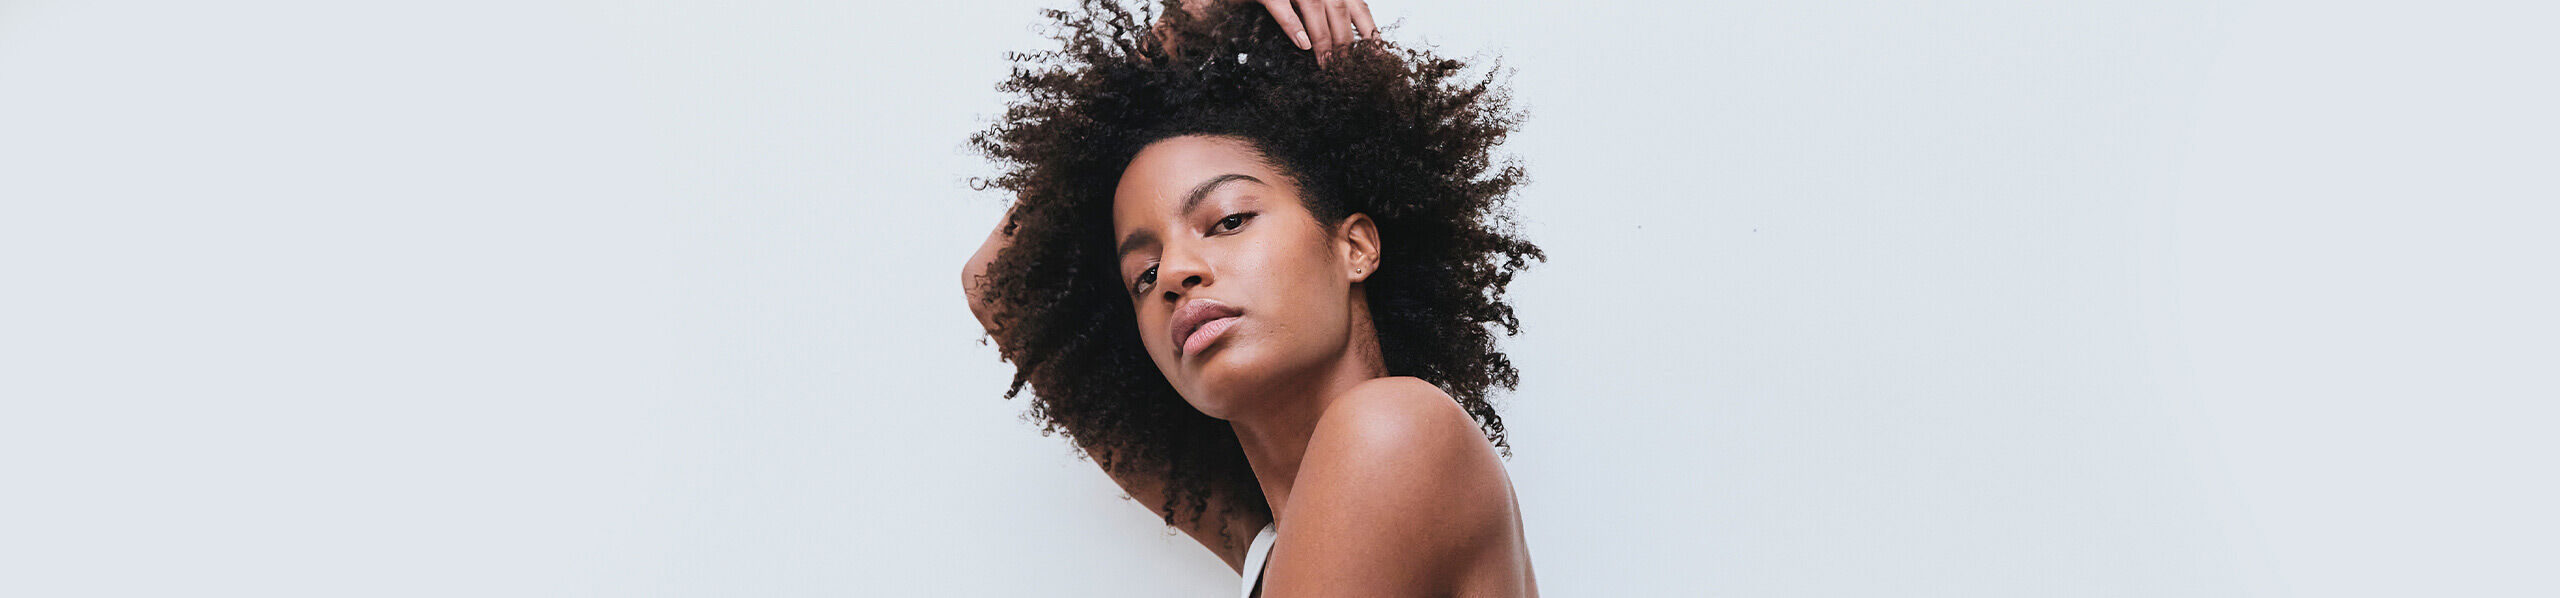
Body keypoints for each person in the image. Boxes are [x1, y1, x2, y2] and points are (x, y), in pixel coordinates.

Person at [960, 1, 1541, 595]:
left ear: (1355, 248)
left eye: (1229, 220)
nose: (1174, 275)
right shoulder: (1268, 543)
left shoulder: (1393, 430)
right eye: (1144, 273)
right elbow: (999, 282)